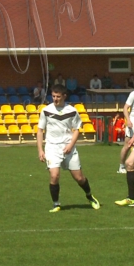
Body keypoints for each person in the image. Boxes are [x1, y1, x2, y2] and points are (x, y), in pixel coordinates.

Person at [37, 84, 100, 213]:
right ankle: (56, 204)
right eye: (53, 96)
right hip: (52, 147)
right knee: (54, 176)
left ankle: (89, 196)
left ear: (64, 96)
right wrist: (40, 150)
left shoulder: (72, 111)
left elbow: (76, 130)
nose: (55, 99)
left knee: (79, 178)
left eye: (58, 96)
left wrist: (70, 145)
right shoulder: (46, 110)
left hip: (68, 147)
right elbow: (40, 130)